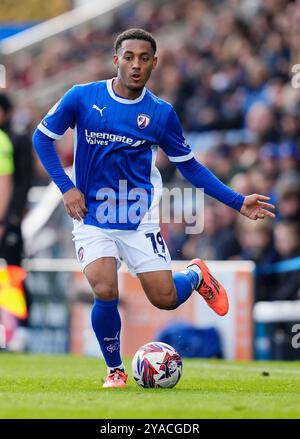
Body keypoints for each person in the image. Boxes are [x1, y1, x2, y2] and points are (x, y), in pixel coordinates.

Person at [33, 28, 275, 388]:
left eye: (144, 59)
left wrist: (238, 201)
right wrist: (67, 188)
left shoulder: (161, 115)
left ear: (154, 64)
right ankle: (115, 369)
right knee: (104, 288)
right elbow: (42, 138)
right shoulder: (82, 97)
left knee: (163, 298)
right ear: (116, 60)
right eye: (128, 57)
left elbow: (190, 167)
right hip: (91, 213)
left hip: (137, 213)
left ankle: (195, 276)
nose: (135, 65)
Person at [0, 93, 33, 351]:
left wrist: (10, 218)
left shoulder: (17, 139)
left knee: (14, 274)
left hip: (9, 220)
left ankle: (20, 328)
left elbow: (20, 183)